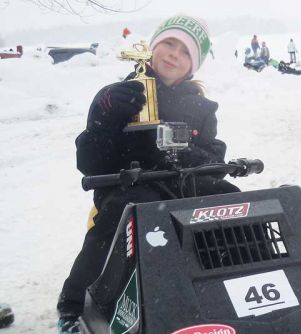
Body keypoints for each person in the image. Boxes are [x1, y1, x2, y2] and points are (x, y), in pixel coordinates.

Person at [56, 15, 240, 333]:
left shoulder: (202, 108)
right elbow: (90, 163)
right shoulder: (117, 95)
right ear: (152, 47)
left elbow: (212, 156)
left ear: (193, 65)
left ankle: (244, 283)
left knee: (232, 201)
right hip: (127, 190)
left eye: (185, 51)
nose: (173, 54)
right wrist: (107, 115)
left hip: (182, 189)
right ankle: (74, 308)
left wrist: (187, 153)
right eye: (169, 43)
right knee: (132, 207)